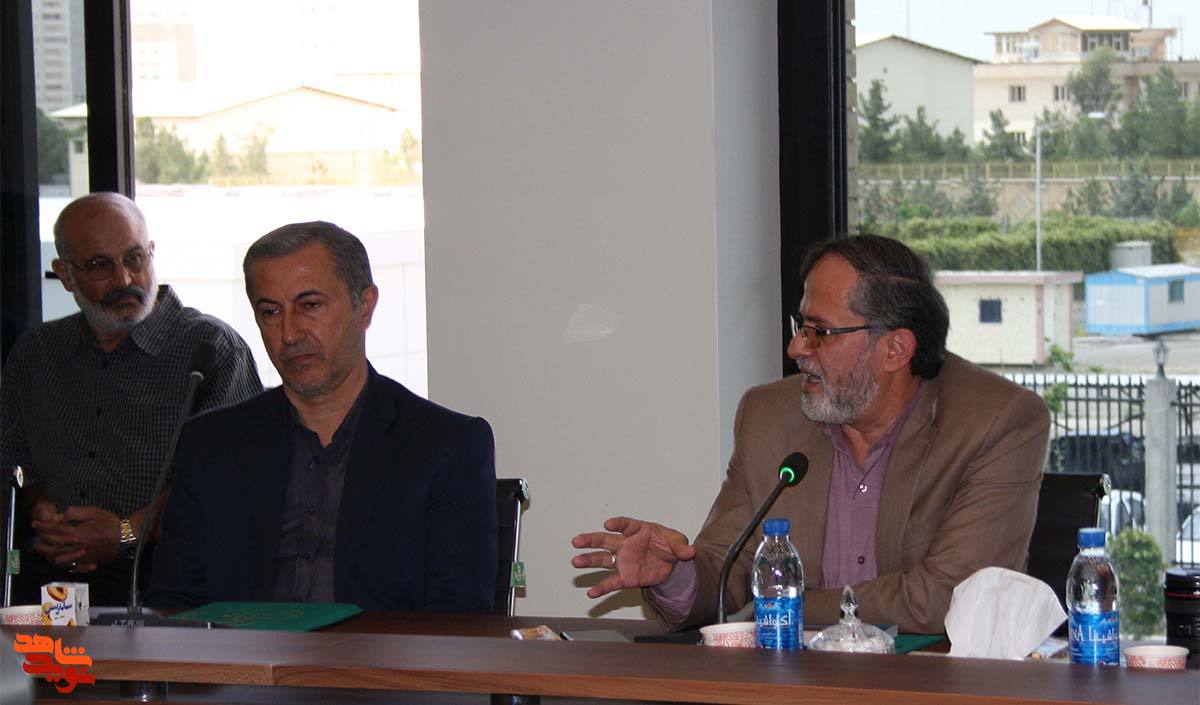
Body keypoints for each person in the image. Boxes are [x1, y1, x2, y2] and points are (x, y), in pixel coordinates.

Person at [572, 235, 1050, 634]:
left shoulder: (996, 420)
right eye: (800, 326)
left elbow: (949, 597)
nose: (796, 347)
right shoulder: (769, 416)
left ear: (895, 349)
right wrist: (673, 574)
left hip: (930, 687)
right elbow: (729, 567)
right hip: (793, 687)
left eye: (819, 331)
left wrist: (782, 603)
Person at [147, 221, 498, 612]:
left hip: (382, 653)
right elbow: (172, 602)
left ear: (365, 306)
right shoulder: (211, 445)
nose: (290, 333)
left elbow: (459, 616)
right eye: (271, 312)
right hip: (244, 652)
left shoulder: (445, 446)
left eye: (310, 306)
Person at [1, 192, 262, 606]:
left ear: (151, 253)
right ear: (65, 274)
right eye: (100, 265)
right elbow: (15, 459)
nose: (124, 280)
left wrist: (126, 532)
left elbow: (232, 481)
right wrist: (43, 511)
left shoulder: (211, 349)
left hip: (170, 583)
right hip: (51, 582)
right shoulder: (37, 352)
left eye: (135, 258)